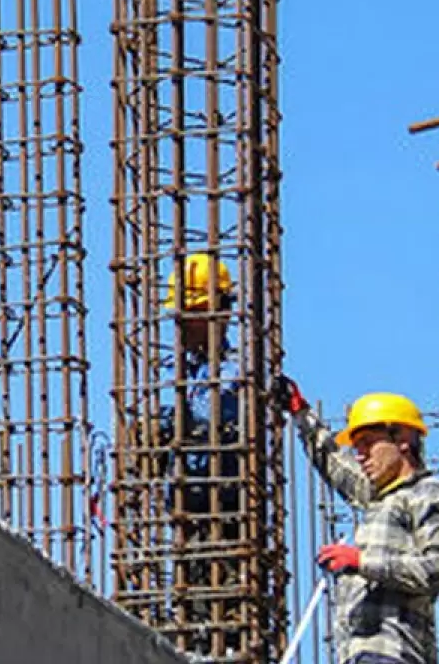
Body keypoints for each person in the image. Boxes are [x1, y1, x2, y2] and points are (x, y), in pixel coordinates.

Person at [274, 376, 439, 664]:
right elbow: (335, 462)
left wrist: (362, 561)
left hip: (394, 653)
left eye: (367, 444)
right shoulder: (378, 496)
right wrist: (301, 413)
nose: (360, 456)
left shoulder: (429, 495)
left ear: (403, 440)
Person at [158, 252, 241, 654]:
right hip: (187, 519)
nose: (181, 326)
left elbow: (219, 431)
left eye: (189, 315)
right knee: (189, 624)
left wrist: (185, 428)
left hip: (226, 521)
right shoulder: (183, 375)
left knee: (226, 626)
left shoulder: (234, 374)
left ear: (218, 312)